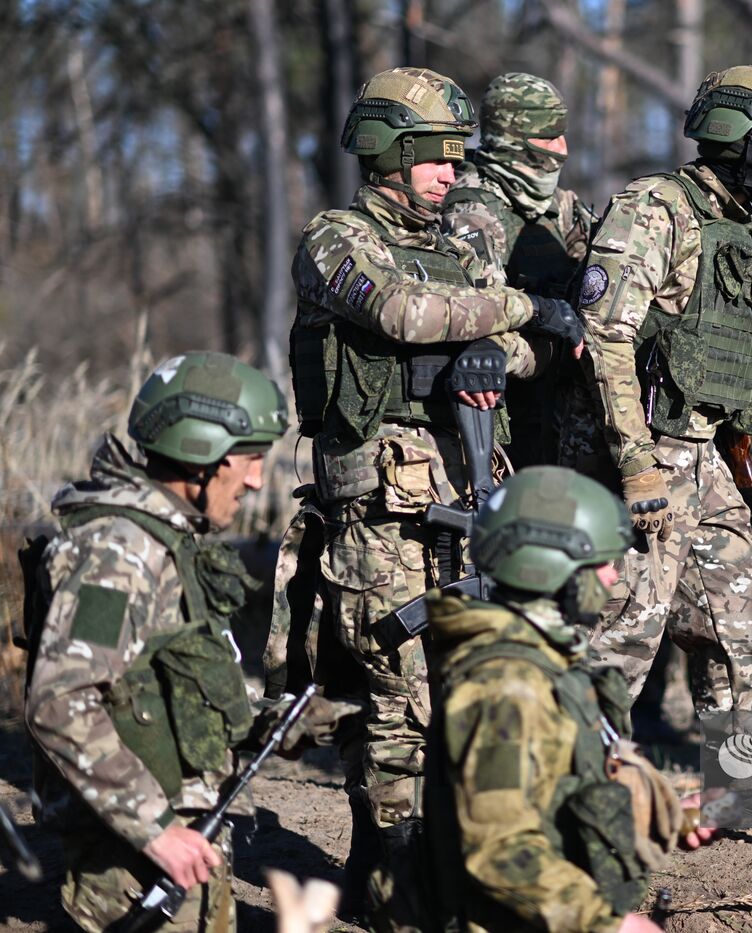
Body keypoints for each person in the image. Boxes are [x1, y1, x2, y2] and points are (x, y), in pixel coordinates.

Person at [277, 65, 584, 906]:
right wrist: (517, 311)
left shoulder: (454, 246)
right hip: (380, 507)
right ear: (390, 153)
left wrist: (492, 346)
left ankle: (439, 873)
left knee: (470, 690)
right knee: (401, 698)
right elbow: (405, 314)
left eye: (457, 156)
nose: (453, 172)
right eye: (436, 156)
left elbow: (525, 353)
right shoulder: (337, 240)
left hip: (467, 493)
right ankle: (393, 884)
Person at [22, 353, 352, 932]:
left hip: (178, 835)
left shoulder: (167, 544)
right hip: (135, 859)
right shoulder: (118, 553)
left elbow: (160, 689)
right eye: (249, 459)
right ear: (200, 455)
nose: (256, 480)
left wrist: (272, 723)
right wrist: (156, 830)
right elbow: (60, 701)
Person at [566, 65, 752, 713]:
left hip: (707, 459)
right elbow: (606, 336)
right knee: (618, 639)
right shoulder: (655, 209)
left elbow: (746, 344)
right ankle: (571, 770)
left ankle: (744, 772)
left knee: (742, 630)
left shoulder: (736, 224)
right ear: (736, 138)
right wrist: (636, 464)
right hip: (642, 456)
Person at [368, 466, 714, 933]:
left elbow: (567, 792)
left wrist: (671, 813)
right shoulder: (505, 685)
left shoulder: (552, 663)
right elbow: (499, 850)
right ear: (551, 568)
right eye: (602, 562)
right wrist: (608, 925)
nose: (614, 575)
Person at [442, 71, 597, 469]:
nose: (561, 150)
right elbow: (485, 318)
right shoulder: (471, 210)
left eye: (562, 135)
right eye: (548, 138)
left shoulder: (561, 206)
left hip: (560, 408)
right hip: (504, 414)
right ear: (511, 139)